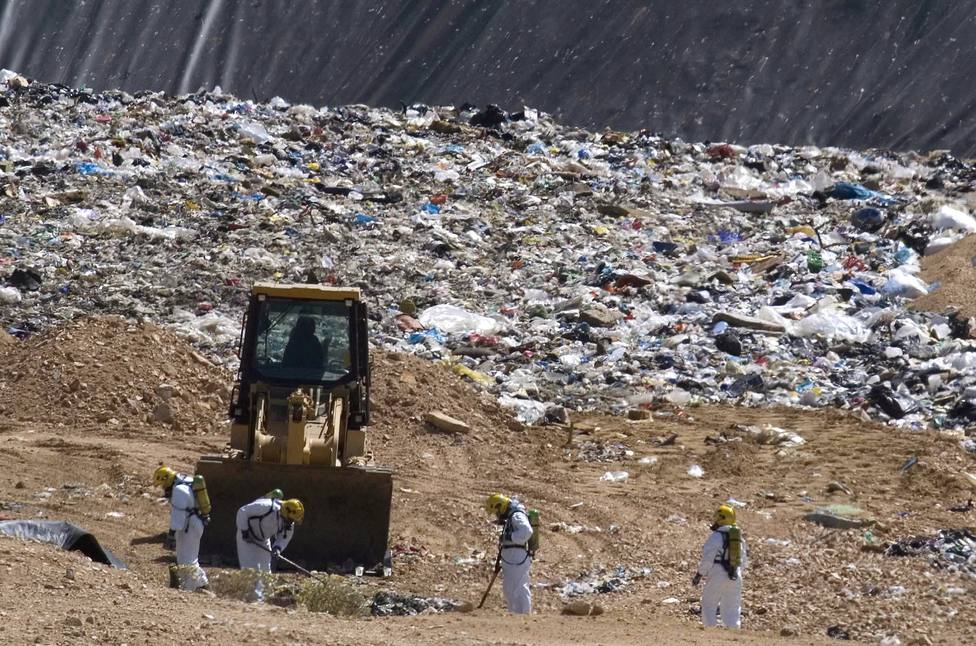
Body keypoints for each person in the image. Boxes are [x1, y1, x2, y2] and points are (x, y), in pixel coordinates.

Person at [236, 495, 304, 601]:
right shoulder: (266, 506)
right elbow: (242, 511)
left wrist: (277, 548)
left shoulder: (290, 521)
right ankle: (253, 599)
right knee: (251, 570)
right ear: (285, 512)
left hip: (263, 540)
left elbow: (284, 538)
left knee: (265, 571)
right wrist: (244, 531)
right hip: (246, 539)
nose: (291, 523)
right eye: (290, 520)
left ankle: (266, 597)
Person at [692, 504, 748, 629]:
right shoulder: (739, 538)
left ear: (720, 518)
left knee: (709, 602)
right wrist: (734, 571)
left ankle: (710, 629)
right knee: (732, 605)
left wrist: (699, 574)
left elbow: (707, 559)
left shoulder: (716, 537)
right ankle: (733, 629)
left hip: (718, 573)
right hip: (736, 574)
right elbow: (744, 561)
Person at [153, 465, 208, 591]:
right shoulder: (186, 482)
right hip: (194, 523)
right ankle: (201, 584)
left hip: (189, 526)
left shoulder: (179, 490)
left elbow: (178, 516)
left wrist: (171, 535)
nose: (163, 488)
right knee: (189, 557)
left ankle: (192, 588)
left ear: (166, 480)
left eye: (163, 485)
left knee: (186, 558)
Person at [485, 493, 533, 614]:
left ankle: (524, 615)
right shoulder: (512, 516)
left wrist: (508, 537)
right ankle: (515, 614)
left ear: (500, 506)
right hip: (512, 557)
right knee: (510, 589)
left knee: (519, 587)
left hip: (517, 556)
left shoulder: (517, 515)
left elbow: (526, 531)